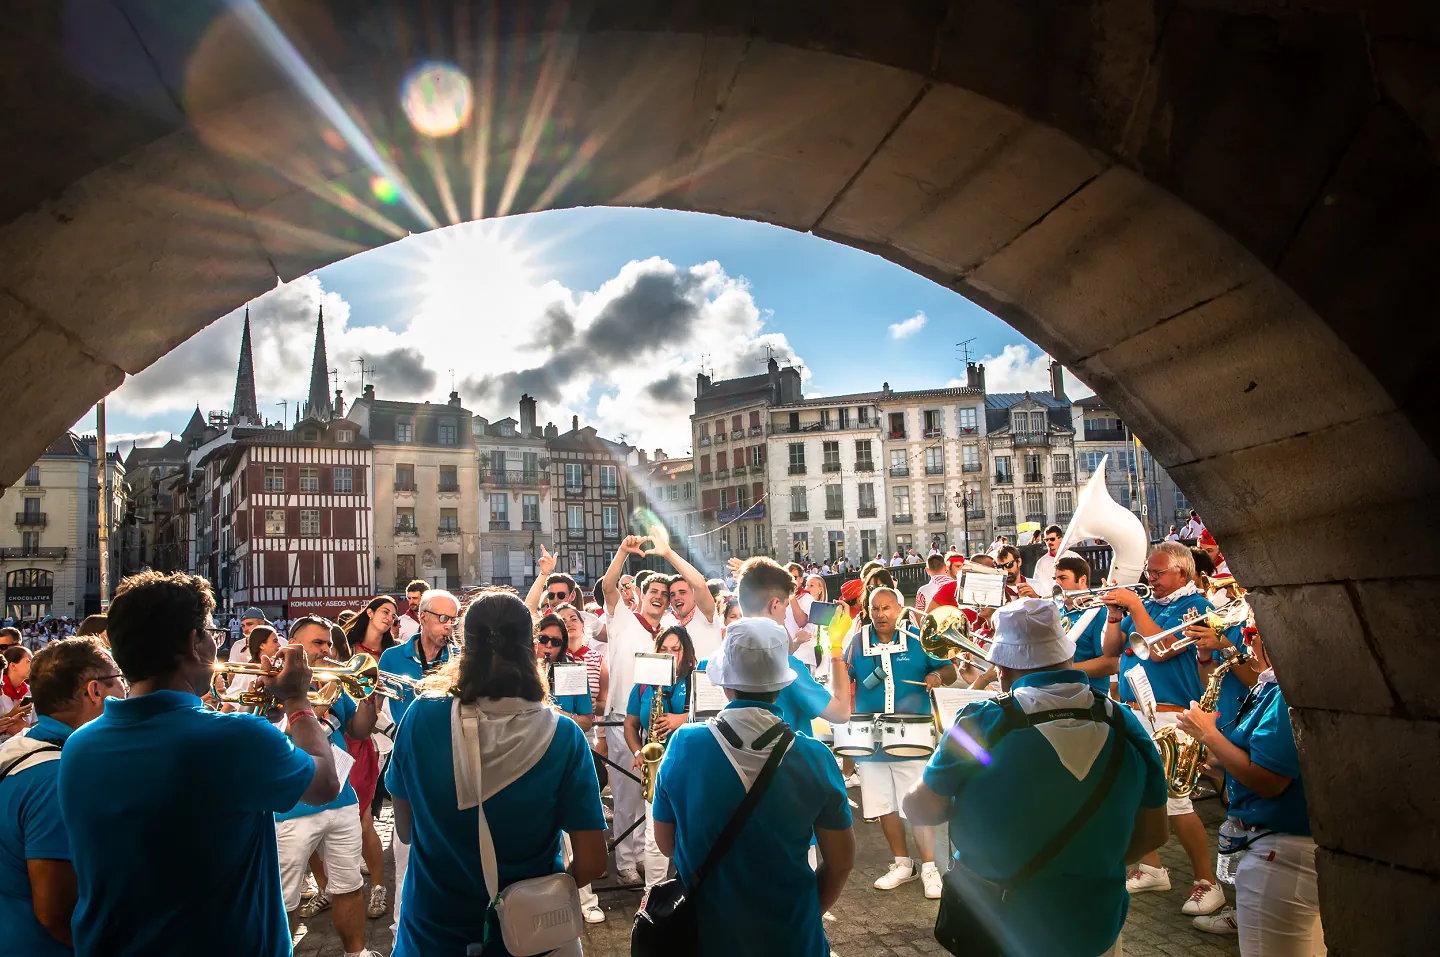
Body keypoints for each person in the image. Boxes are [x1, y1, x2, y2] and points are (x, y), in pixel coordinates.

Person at [58, 570, 340, 957]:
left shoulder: (78, 744)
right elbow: (324, 783)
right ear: (194, 643)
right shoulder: (236, 736)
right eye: (212, 634)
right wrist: (296, 700)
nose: (215, 644)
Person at [902, 598, 1169, 957]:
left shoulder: (982, 721)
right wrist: (1086, 865)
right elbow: (1156, 833)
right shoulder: (1124, 721)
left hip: (1001, 926)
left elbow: (921, 809)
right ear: (1067, 656)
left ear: (1001, 668)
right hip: (1094, 924)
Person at [386, 591, 607, 956]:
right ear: (530, 646)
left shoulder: (420, 716)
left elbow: (406, 830)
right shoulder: (564, 736)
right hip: (530, 934)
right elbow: (593, 862)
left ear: (463, 642)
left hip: (432, 927)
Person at [651, 616, 855, 957]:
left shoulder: (684, 744)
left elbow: (666, 842)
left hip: (707, 933)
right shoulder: (815, 756)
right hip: (792, 936)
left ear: (726, 684)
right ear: (780, 683)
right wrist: (804, 912)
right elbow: (842, 861)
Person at [1177, 625, 1324, 953]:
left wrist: (1209, 735)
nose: (1247, 640)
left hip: (1281, 851)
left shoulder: (1286, 691)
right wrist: (1217, 762)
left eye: (1253, 631)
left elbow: (1270, 781)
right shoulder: (1275, 686)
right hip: (1279, 848)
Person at [1100, 541, 1227, 915]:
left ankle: (1207, 880)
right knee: (1135, 793)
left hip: (1171, 717)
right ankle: (1153, 866)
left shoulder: (1197, 608)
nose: (1150, 579)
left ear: (1182, 573)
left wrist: (1135, 606)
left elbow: (1163, 649)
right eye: (1149, 573)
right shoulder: (1150, 605)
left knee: (1176, 801)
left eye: (1157, 573)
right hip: (1135, 709)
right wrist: (1112, 615)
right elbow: (1111, 650)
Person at [0, 638, 126, 955]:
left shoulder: (24, 746)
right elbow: (56, 912)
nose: (126, 691)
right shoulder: (57, 778)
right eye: (119, 680)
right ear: (95, 691)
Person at [274, 618, 380, 953]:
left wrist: (367, 698)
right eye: (318, 643)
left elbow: (360, 731)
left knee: (349, 886)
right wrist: (303, 709)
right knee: (285, 897)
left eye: (328, 644)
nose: (327, 650)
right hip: (291, 808)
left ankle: (357, 952)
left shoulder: (332, 683)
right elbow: (265, 736)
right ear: (293, 644)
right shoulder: (272, 684)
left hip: (341, 800)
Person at [846, 586, 957, 898]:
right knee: (884, 804)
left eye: (887, 608)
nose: (881, 614)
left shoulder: (916, 640)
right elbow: (847, 678)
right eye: (875, 609)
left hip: (914, 734)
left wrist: (937, 678)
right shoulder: (857, 641)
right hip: (873, 736)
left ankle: (930, 867)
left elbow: (948, 668)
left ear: (898, 609)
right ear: (868, 610)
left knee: (917, 804)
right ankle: (902, 864)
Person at [377, 588, 458, 936]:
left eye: (454, 620)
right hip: (408, 764)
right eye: (443, 618)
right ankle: (401, 929)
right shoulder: (391, 658)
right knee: (405, 851)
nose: (449, 626)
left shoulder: (459, 658)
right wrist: (396, 730)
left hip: (449, 764)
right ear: (422, 617)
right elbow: (376, 707)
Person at [534, 612, 604, 925]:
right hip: (532, 759)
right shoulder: (520, 673)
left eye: (555, 642)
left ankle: (586, 899)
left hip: (565, 756)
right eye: (543, 639)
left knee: (575, 826)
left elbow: (588, 719)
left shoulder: (572, 671)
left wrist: (561, 716)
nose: (548, 645)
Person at [341, 596, 401, 920]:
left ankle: (377, 886)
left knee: (362, 813)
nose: (390, 617)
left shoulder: (390, 655)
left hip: (372, 737)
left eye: (393, 614)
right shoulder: (349, 647)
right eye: (385, 611)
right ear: (369, 613)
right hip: (339, 731)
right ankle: (334, 882)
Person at [624, 625, 695, 892]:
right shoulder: (643, 686)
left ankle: (687, 889)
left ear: (686, 652)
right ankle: (652, 894)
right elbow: (630, 724)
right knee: (654, 835)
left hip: (689, 764)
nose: (669, 654)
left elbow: (714, 715)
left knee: (689, 830)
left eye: (675, 650)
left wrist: (681, 718)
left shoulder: (695, 680)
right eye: (664, 649)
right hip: (655, 764)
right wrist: (636, 751)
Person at [1053, 556, 1121, 697]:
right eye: (1055, 579)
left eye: (1063, 578)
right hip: (1058, 693)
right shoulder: (1056, 611)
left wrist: (1064, 671)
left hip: (1090, 695)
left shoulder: (1100, 612)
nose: (1057, 584)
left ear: (1082, 580)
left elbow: (1111, 663)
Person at [659, 547, 722, 658]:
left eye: (682, 592)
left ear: (694, 595)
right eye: (672, 594)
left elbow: (700, 585)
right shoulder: (671, 626)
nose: (676, 597)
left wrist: (668, 554)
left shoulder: (704, 615)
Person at [0, 647, 35, 740]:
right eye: (29, 661)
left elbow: (35, 722)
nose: (33, 665)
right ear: (13, 666)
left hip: (24, 743)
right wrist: (13, 714)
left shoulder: (30, 691)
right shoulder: (1, 691)